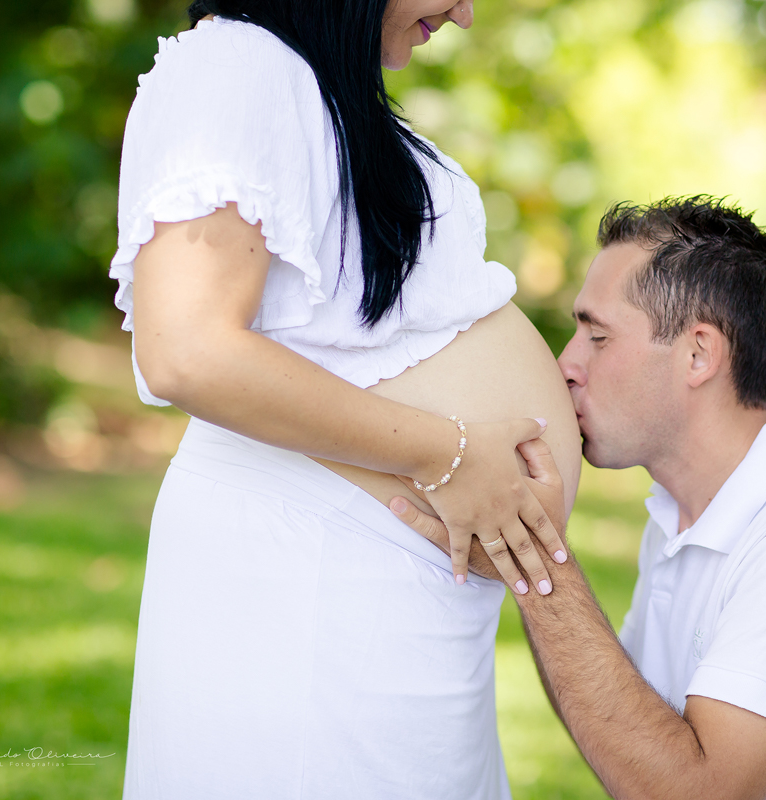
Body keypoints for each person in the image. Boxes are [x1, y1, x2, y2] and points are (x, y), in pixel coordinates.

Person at [110, 0, 581, 797]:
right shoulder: (236, 63)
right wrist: (448, 455)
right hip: (308, 595)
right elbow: (187, 350)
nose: (465, 13)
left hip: (383, 604)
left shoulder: (304, 86)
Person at [394, 196, 766, 800]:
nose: (565, 364)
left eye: (598, 336)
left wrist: (536, 561)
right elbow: (622, 737)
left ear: (699, 354)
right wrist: (525, 548)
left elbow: (692, 791)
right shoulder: (680, 513)